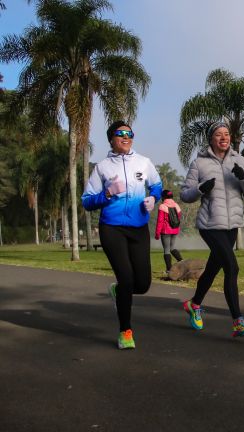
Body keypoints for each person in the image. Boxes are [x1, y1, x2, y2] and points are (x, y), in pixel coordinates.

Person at [82, 121, 162, 349]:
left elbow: (156, 185)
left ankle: (118, 291)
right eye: (121, 133)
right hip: (112, 228)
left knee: (143, 284)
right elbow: (87, 201)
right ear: (111, 139)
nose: (126, 137)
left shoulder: (144, 163)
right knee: (126, 278)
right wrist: (106, 194)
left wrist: (153, 199)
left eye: (130, 133)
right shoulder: (103, 167)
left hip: (138, 229)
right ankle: (125, 331)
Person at [180, 121, 244, 337]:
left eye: (226, 134)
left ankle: (194, 304)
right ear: (211, 139)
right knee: (232, 268)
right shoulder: (199, 164)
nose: (224, 137)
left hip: (232, 225)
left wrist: (243, 177)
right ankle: (238, 321)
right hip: (210, 225)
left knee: (214, 268)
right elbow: (185, 194)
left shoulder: (240, 160)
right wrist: (200, 189)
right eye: (218, 134)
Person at [155, 189, 184, 274]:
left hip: (166, 231)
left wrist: (157, 233)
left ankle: (169, 270)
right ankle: (182, 261)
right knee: (172, 248)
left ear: (163, 197)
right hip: (175, 230)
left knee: (167, 250)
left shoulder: (162, 206)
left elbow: (160, 221)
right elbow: (178, 218)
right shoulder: (176, 205)